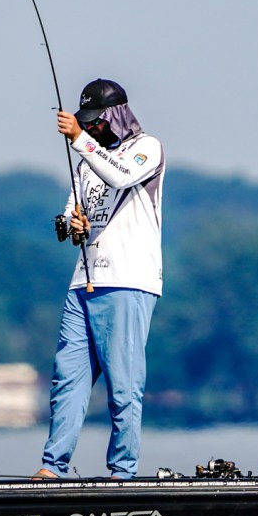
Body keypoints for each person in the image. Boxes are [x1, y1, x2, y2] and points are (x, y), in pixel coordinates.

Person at [33, 78, 164, 481]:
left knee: (123, 385)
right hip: (83, 283)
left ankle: (122, 472)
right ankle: (52, 467)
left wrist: (79, 139)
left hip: (128, 280)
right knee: (66, 379)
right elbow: (70, 218)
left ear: (116, 115)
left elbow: (121, 177)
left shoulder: (147, 147)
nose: (90, 127)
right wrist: (73, 225)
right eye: (85, 121)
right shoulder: (85, 163)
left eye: (95, 121)